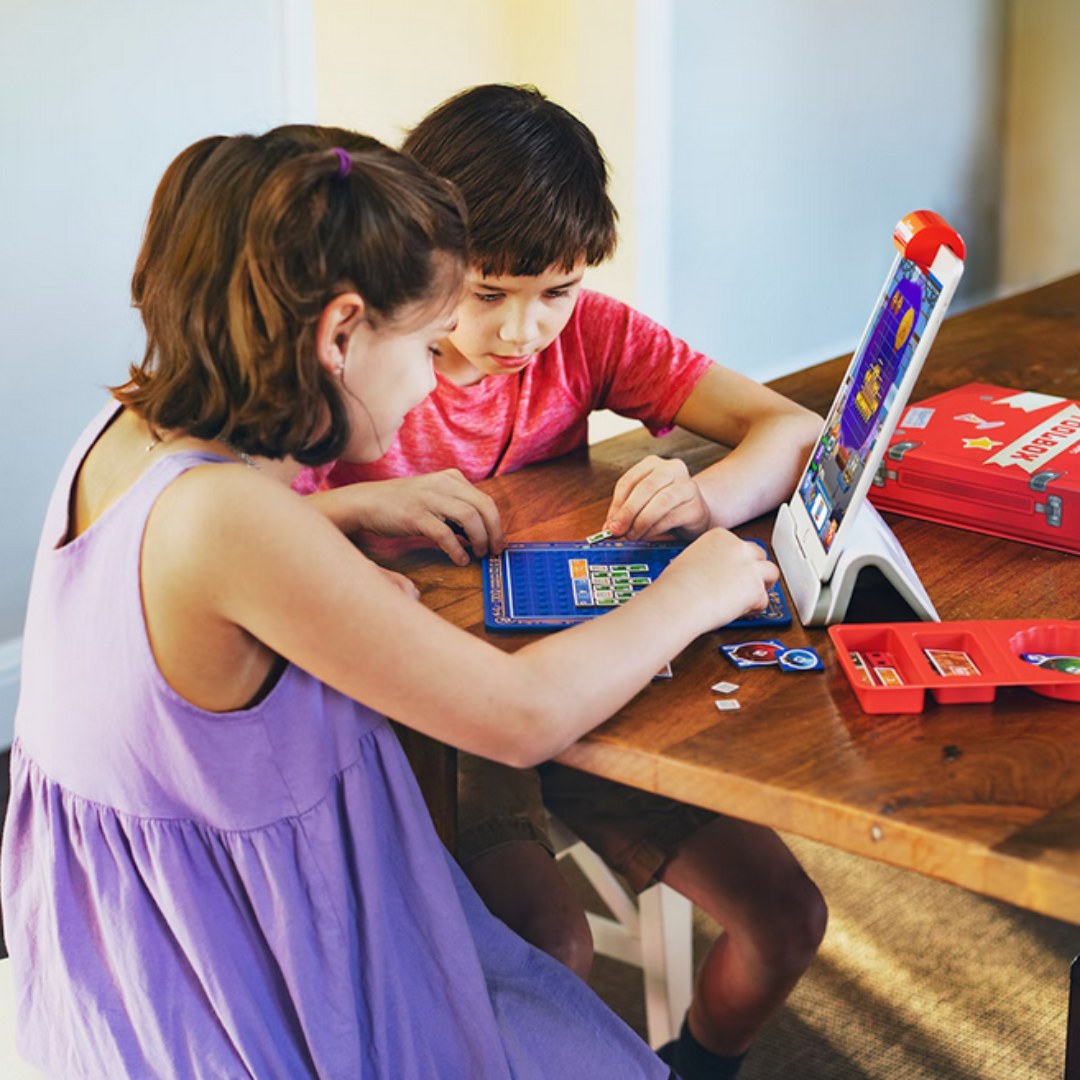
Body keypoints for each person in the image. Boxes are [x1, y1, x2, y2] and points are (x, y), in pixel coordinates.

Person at [0, 128, 779, 1079]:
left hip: (148, 941)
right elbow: (519, 716)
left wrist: (353, 505)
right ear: (340, 335)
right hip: (252, 972)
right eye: (422, 340)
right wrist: (695, 589)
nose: (428, 380)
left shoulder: (124, 437)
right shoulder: (233, 522)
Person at [298, 85, 829, 1080]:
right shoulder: (359, 371)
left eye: (559, 290)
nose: (523, 329)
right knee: (554, 948)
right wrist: (352, 510)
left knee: (789, 915)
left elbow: (795, 429)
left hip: (594, 678)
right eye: (487, 292)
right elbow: (243, 526)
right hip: (441, 716)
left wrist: (704, 499)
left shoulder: (589, 337)